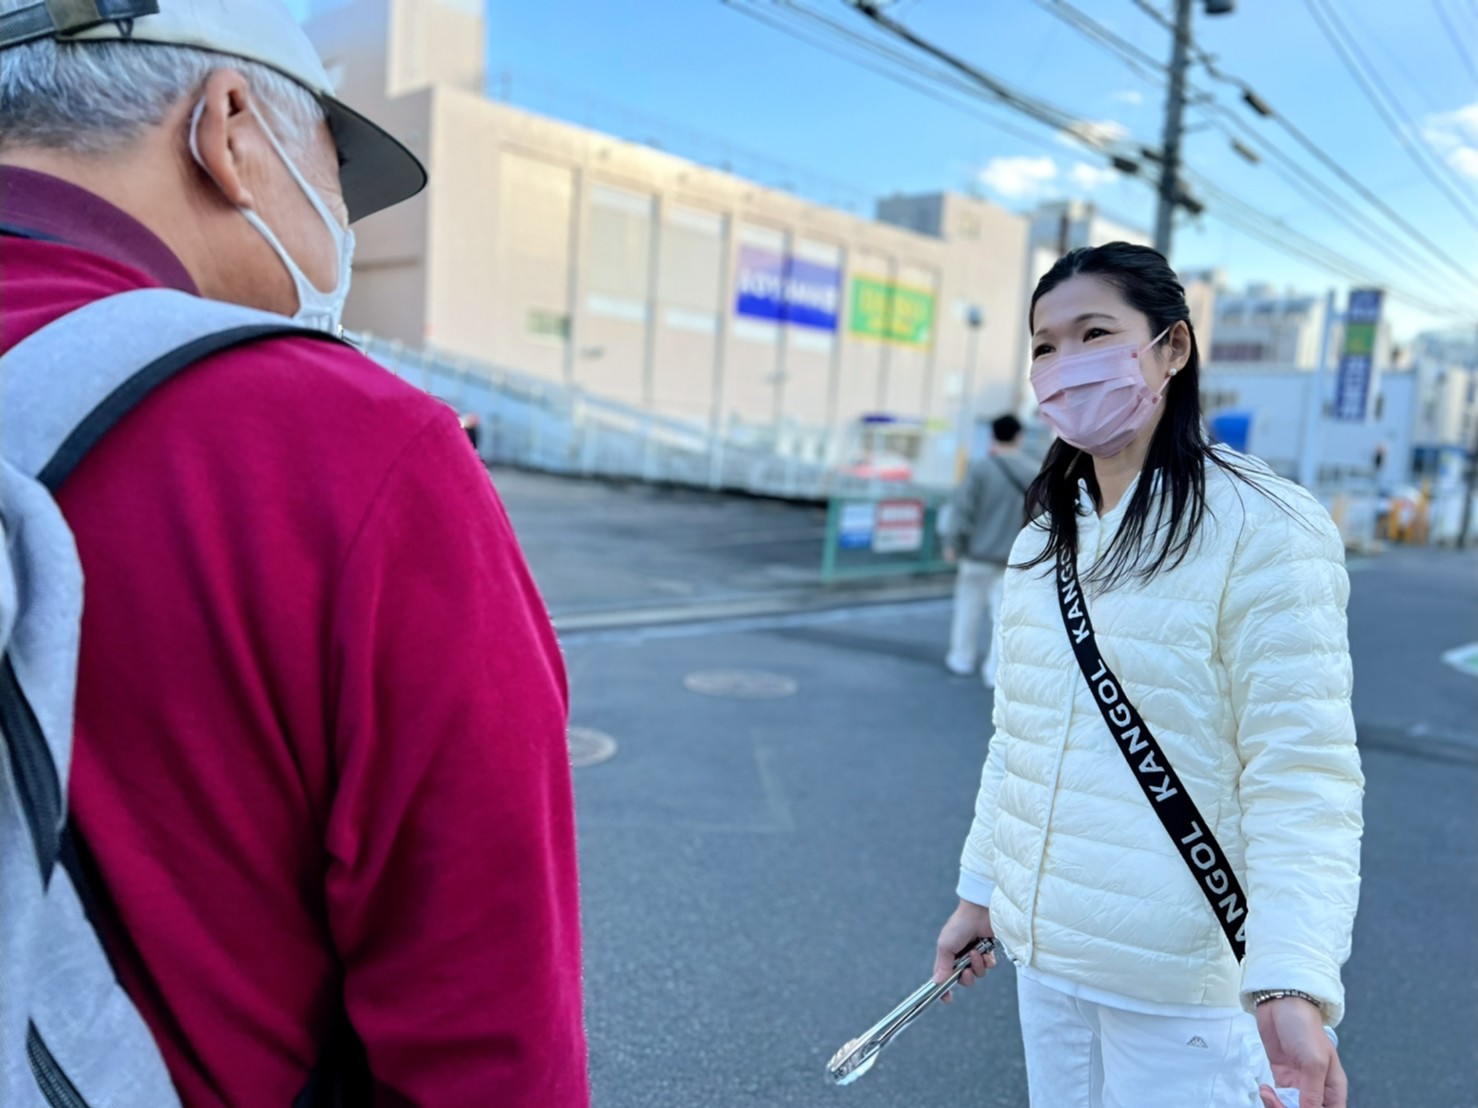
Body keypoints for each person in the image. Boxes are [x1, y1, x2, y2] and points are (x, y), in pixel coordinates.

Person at [0, 2, 589, 1104]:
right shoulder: (351, 445)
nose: (339, 228)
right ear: (225, 131)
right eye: (328, 166)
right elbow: (486, 1030)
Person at [931, 243, 1363, 1108]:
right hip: (1046, 962)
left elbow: (1301, 773)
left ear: (1172, 348)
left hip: (1183, 991)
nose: (1063, 365)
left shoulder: (1265, 527)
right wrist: (983, 894)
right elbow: (1017, 738)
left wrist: (1291, 981)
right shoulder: (1044, 536)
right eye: (1045, 346)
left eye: (1094, 333)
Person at [942, 413, 1037, 687]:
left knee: (968, 607)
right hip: (1013, 559)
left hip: (977, 554)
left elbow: (962, 509)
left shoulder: (979, 468)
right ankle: (993, 671)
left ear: (993, 436)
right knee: (1002, 616)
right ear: (1019, 436)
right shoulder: (1033, 471)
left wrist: (952, 543)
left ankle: (961, 658)